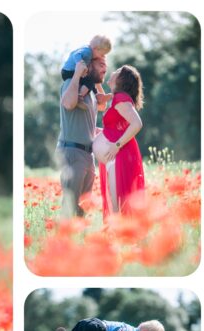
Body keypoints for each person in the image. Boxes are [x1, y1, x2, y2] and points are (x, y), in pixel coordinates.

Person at [57, 55, 108, 217]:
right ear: (89, 66)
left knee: (83, 210)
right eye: (101, 64)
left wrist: (97, 82)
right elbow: (68, 104)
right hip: (72, 151)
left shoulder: (90, 91)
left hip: (87, 155)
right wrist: (78, 74)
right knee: (70, 208)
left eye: (105, 65)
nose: (105, 68)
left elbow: (102, 105)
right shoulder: (71, 84)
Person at [95, 65, 146, 218]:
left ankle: (127, 233)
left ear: (121, 80)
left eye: (117, 72)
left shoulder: (121, 98)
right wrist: (100, 133)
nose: (113, 72)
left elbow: (137, 124)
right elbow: (116, 130)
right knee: (117, 207)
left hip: (119, 156)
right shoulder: (117, 99)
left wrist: (117, 145)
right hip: (114, 157)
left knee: (121, 207)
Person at [61, 35, 114, 103]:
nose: (102, 57)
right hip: (69, 72)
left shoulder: (86, 49)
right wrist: (80, 63)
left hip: (68, 71)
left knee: (90, 81)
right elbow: (76, 55)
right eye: (101, 55)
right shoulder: (87, 52)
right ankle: (80, 96)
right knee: (90, 81)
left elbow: (72, 53)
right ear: (95, 49)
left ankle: (97, 95)